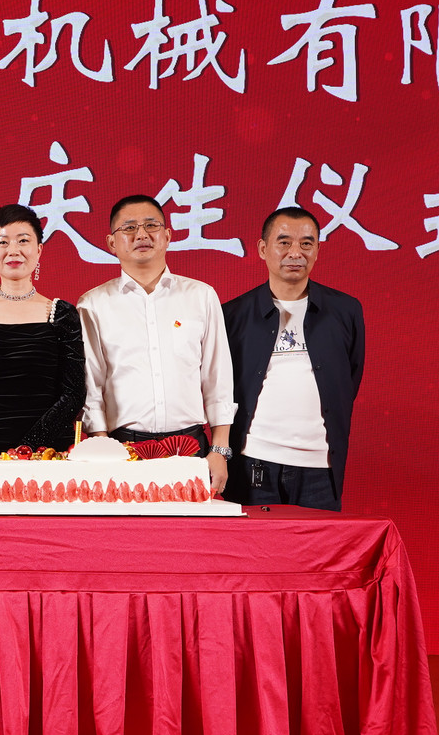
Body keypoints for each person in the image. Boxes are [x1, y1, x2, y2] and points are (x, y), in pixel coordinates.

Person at [78, 194, 236, 495]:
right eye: (129, 228)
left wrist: (219, 450)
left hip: (192, 448)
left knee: (195, 527)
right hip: (123, 450)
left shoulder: (200, 296)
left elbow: (218, 379)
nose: (142, 234)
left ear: (167, 236)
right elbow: (91, 385)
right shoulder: (93, 304)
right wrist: (102, 449)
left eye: (151, 225)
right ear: (111, 243)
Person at [222, 206, 365, 511]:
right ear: (263, 249)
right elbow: (221, 389)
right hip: (254, 462)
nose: (295, 252)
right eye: (284, 242)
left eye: (306, 243)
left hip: (320, 467)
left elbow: (348, 380)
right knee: (254, 543)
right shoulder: (233, 315)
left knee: (317, 544)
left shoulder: (345, 310)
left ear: (318, 250)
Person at [0, 205, 85, 454]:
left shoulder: (62, 314)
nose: (13, 251)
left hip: (49, 453)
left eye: (23, 240)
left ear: (39, 249)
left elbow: (73, 393)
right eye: (2, 242)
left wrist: (28, 449)